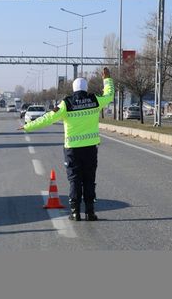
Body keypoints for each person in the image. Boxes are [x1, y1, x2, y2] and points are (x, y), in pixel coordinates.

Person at [20, 68, 114, 221]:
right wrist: (107, 80)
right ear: (86, 88)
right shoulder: (94, 100)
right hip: (90, 148)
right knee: (89, 179)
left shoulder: (66, 103)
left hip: (72, 149)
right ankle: (90, 212)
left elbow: (48, 118)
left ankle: (75, 212)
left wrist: (28, 126)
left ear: (73, 89)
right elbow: (109, 95)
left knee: (75, 180)